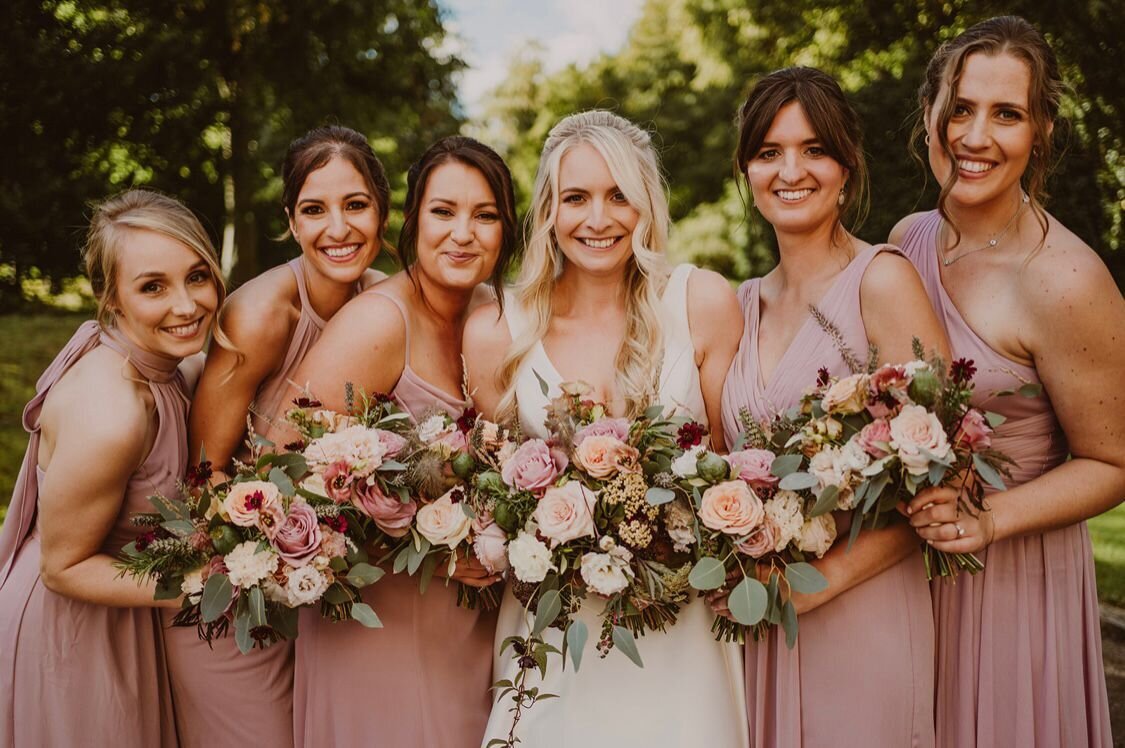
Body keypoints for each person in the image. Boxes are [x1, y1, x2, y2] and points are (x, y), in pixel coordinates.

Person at [463, 110, 748, 748]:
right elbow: (491, 498)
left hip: (682, 635)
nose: (598, 219)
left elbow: (728, 467)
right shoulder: (499, 331)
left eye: (619, 195)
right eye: (576, 198)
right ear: (548, 211)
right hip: (553, 640)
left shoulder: (699, 303)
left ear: (647, 204)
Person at [890, 16, 1123, 746]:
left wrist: (989, 521)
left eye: (1006, 114)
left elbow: (1113, 461)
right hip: (904, 575)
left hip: (1013, 582)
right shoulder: (905, 241)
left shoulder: (1066, 278)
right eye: (959, 108)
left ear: (1040, 130)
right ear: (930, 112)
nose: (973, 136)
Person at [718, 67, 951, 747]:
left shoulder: (879, 279)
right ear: (747, 173)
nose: (790, 170)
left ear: (846, 167)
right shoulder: (739, 306)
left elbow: (945, 474)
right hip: (761, 616)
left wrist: (819, 583)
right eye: (768, 152)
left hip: (859, 611)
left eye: (813, 149)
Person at [165, 125, 392, 748]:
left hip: (321, 606)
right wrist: (263, 564)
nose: (338, 229)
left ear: (382, 211)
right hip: (239, 597)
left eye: (356, 205)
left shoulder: (384, 301)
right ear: (291, 221)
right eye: (315, 210)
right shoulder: (264, 311)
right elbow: (203, 474)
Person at [289, 135, 518, 747]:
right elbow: (282, 465)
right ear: (412, 220)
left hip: (467, 627)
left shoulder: (496, 314)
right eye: (444, 211)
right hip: (379, 623)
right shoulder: (379, 322)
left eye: (485, 215)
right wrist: (435, 547)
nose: (463, 234)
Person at [0, 189, 226, 748]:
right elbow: (63, 567)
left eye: (197, 276)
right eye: (153, 286)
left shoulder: (170, 366)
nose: (186, 305)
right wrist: (209, 584)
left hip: (123, 606)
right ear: (110, 298)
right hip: (73, 631)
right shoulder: (113, 414)